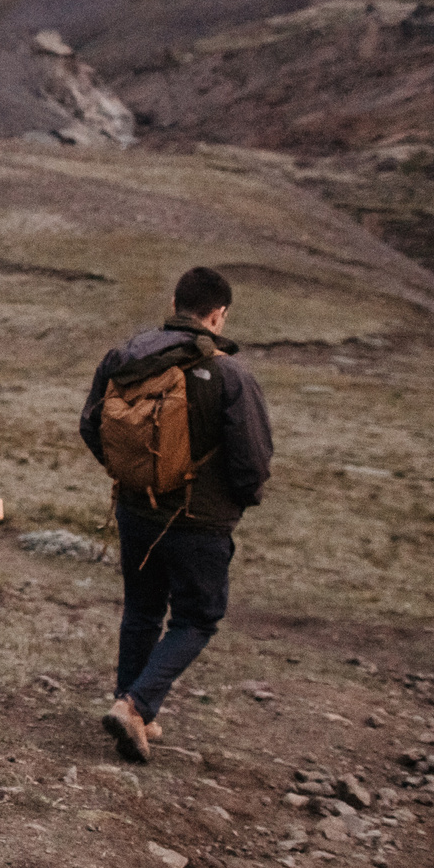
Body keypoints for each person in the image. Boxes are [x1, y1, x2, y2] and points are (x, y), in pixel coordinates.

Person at [76, 266, 274, 763]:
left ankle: (132, 706)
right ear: (218, 315)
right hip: (199, 523)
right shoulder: (230, 374)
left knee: (142, 609)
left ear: (173, 304)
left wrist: (131, 477)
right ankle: (135, 706)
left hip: (135, 509)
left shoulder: (123, 357)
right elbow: (252, 461)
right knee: (197, 618)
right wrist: (236, 502)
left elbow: (91, 424)